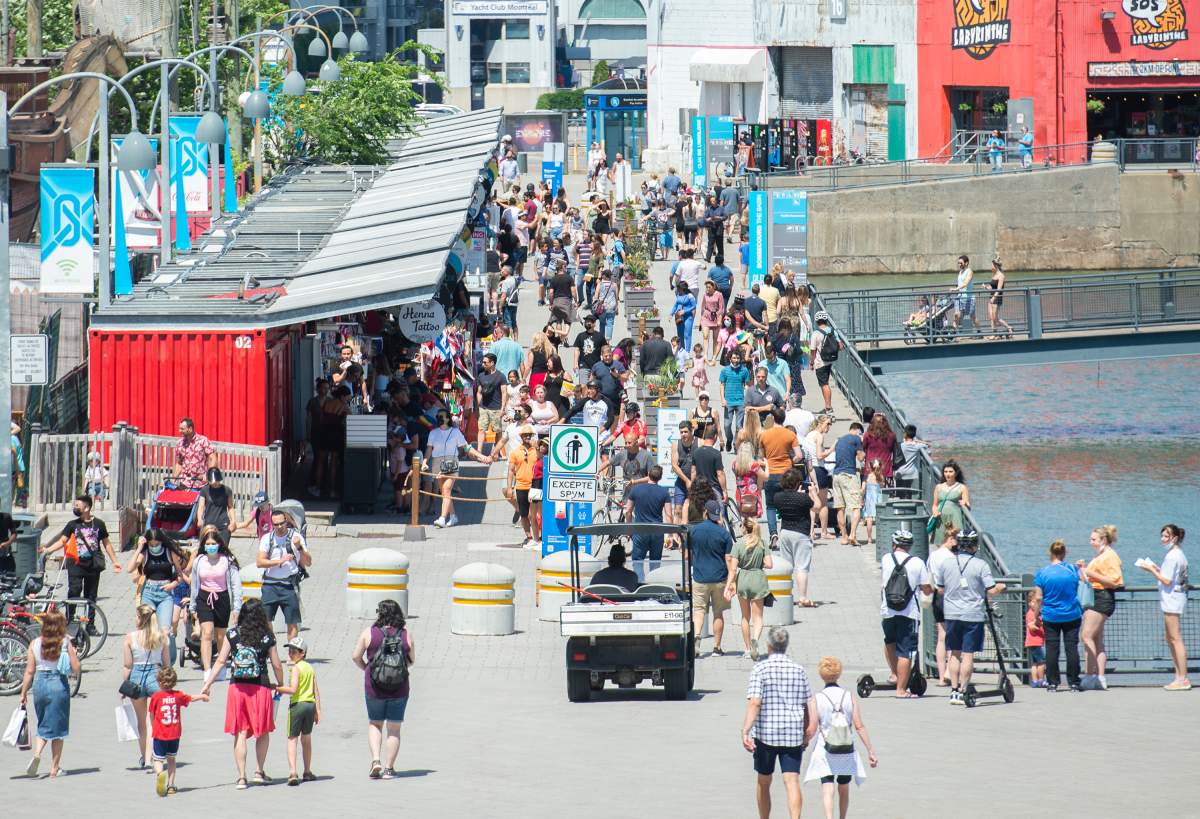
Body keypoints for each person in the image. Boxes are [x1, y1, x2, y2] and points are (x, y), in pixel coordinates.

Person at [200, 598, 285, 789]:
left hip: (237, 688)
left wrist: (208, 684)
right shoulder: (267, 636)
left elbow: (221, 661)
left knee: (240, 732)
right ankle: (258, 772)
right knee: (262, 731)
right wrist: (280, 683)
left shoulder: (233, 634)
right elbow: (277, 664)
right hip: (260, 687)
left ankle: (241, 777)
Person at [740, 627, 816, 819]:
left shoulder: (760, 668)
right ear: (786, 645)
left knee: (764, 781)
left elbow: (755, 702)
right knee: (792, 781)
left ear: (769, 645)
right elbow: (808, 701)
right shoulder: (798, 670)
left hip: (766, 734)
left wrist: (745, 730)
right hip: (792, 733)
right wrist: (809, 727)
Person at [935, 529, 1004, 704]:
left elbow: (940, 589)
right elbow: (991, 590)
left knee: (954, 653)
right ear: (974, 546)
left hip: (951, 614)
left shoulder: (946, 563)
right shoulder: (981, 565)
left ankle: (954, 691)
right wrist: (1002, 587)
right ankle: (965, 690)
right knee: (968, 654)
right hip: (973, 614)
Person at [803, 656, 877, 819]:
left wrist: (804, 741)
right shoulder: (849, 696)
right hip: (846, 747)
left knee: (827, 786)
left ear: (821, 675)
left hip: (826, 748)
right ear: (839, 673)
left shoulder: (818, 698)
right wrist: (870, 751)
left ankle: (829, 817)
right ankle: (842, 817)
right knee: (844, 786)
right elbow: (859, 726)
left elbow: (813, 727)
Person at [39, 494, 122, 632]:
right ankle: (70, 621)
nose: (75, 507)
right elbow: (62, 541)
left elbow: (107, 544)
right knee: (74, 591)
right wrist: (47, 550)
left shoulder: (99, 524)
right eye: (75, 505)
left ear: (87, 507)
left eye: (78, 505)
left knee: (91, 595)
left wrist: (115, 562)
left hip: (93, 565)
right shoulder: (72, 525)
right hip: (75, 564)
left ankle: (90, 625)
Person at [351, 599, 414, 780]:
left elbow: (355, 656)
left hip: (374, 687)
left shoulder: (369, 633)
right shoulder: (405, 635)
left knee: (375, 723)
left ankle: (376, 760)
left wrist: (367, 668)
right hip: (400, 687)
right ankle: (389, 769)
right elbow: (412, 660)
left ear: (380, 614)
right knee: (394, 729)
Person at [19, 610, 80, 778]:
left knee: (43, 722)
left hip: (39, 684)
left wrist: (23, 692)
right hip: (58, 684)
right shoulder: (65, 642)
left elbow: (29, 671)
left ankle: (38, 753)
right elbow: (76, 667)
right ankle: (55, 768)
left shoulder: (34, 644)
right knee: (59, 729)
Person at [879, 530, 932, 698]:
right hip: (909, 612)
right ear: (910, 546)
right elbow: (926, 588)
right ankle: (901, 690)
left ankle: (895, 674)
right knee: (906, 651)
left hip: (888, 610)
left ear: (894, 544)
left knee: (890, 642)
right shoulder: (917, 562)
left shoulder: (886, 558)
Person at [1138, 524, 1191, 690]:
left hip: (1172, 600)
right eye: (1162, 536)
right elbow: (1171, 576)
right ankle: (1179, 676)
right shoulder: (1178, 554)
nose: (1163, 539)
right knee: (1170, 638)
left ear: (1174, 537)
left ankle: (1182, 678)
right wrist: (1157, 569)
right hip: (1175, 597)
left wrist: (1150, 570)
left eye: (1166, 536)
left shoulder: (1172, 556)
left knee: (1175, 638)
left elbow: (1167, 581)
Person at [125, 528, 189, 664]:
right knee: (146, 628)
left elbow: (180, 574)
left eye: (157, 543)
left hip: (165, 593)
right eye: (151, 544)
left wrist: (173, 585)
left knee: (165, 631)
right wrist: (139, 548)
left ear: (162, 541)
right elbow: (129, 568)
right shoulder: (145, 553)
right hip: (148, 591)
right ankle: (149, 660)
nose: (154, 547)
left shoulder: (169, 552)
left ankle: (168, 663)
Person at [422, 411, 491, 528]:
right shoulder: (433, 433)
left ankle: (442, 518)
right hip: (437, 462)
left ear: (448, 419)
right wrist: (424, 461)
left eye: (442, 416)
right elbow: (429, 449)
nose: (439, 418)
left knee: (446, 489)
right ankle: (453, 516)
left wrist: (481, 456)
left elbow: (467, 447)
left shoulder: (455, 432)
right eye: (438, 416)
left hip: (451, 462)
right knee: (445, 492)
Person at [189, 525, 243, 673]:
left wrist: (237, 608)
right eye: (208, 544)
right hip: (204, 598)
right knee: (206, 633)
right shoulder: (199, 561)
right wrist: (192, 606)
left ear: (219, 544)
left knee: (220, 636)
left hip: (222, 598)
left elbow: (235, 585)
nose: (211, 547)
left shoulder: (228, 560)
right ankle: (207, 669)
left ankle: (221, 666)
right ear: (203, 545)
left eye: (213, 544)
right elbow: (194, 585)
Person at [122, 603, 170, 770]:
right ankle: (153, 756)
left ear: (141, 619)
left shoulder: (130, 637)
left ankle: (145, 757)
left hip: (136, 677)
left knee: (141, 722)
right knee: (153, 721)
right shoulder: (161, 636)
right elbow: (166, 663)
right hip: (156, 676)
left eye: (136, 616)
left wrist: (125, 685)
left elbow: (128, 665)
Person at [147, 667, 207, 796]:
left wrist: (153, 726)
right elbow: (191, 698)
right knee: (171, 759)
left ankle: (159, 773)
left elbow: (152, 714)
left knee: (157, 759)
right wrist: (202, 696)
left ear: (159, 682)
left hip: (160, 733)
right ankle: (171, 785)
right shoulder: (178, 695)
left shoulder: (156, 697)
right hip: (174, 734)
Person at [1034, 540, 1083, 692]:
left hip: (1051, 615)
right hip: (1072, 614)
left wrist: (1036, 616)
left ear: (1050, 553)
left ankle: (1053, 682)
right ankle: (1074, 681)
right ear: (1064, 553)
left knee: (1052, 649)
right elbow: (1084, 582)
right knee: (1072, 648)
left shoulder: (1043, 573)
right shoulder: (1073, 570)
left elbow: (1038, 598)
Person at [1077, 524, 1123, 690]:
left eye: (1094, 539)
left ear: (1104, 539)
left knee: (1086, 635)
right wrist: (1082, 571)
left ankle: (1090, 675)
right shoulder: (1101, 556)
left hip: (1102, 598)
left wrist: (1089, 573)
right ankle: (1100, 677)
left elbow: (1115, 581)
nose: (1091, 542)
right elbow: (1090, 579)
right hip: (1095, 595)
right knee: (1096, 639)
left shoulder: (1110, 556)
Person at [257, 510, 312, 641]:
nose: (279, 527)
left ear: (286, 522)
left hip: (289, 585)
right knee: (265, 620)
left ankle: (292, 654)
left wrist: (299, 547)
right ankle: (271, 649)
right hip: (270, 585)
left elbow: (308, 562)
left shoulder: (296, 537)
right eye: (276, 524)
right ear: (272, 524)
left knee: (292, 622)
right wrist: (280, 561)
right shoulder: (267, 538)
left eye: (282, 523)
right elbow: (260, 562)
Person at [690, 499, 735, 656]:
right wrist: (732, 581)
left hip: (699, 578)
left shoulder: (694, 531)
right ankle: (717, 647)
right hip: (719, 579)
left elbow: (687, 552)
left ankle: (696, 637)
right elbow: (729, 559)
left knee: (698, 611)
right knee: (718, 613)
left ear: (705, 513)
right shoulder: (724, 534)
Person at [275, 636, 321, 786]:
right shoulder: (309, 667)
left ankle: (293, 772)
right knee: (306, 738)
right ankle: (307, 771)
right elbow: (316, 690)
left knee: (292, 739)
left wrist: (277, 688)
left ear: (302, 653)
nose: (290, 653)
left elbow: (293, 689)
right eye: (289, 650)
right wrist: (318, 710)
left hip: (297, 705)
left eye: (294, 651)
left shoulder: (296, 668)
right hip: (310, 705)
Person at [727, 518, 774, 659]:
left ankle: (747, 648)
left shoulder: (738, 544)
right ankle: (755, 639)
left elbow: (733, 569)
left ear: (743, 528)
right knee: (758, 617)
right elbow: (770, 564)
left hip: (744, 578)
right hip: (758, 578)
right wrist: (759, 563)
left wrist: (730, 584)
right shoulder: (762, 543)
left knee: (745, 617)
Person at [773, 468, 816, 607]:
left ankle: (786, 594)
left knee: (787, 566)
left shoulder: (777, 497)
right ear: (797, 483)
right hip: (801, 533)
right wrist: (813, 494)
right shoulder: (803, 498)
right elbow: (817, 507)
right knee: (802, 567)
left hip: (785, 532)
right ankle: (803, 597)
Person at [926, 525, 958, 686]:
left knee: (941, 637)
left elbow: (929, 573)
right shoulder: (951, 557)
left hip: (936, 596)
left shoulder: (934, 555)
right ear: (951, 539)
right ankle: (949, 673)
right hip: (950, 596)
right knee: (952, 636)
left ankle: (940, 676)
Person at [625, 465, 671, 562]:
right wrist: (670, 534)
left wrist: (629, 529)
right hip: (657, 530)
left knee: (637, 562)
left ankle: (639, 577)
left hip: (640, 529)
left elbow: (628, 512)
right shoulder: (664, 492)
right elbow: (669, 515)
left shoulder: (636, 490)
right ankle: (653, 577)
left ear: (648, 474)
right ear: (660, 478)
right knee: (655, 562)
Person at [830, 423, 865, 545]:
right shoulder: (856, 439)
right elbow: (860, 458)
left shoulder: (840, 440)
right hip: (849, 474)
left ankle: (844, 536)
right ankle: (853, 535)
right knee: (856, 506)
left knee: (840, 507)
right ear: (857, 430)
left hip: (836, 475)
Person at [507, 425, 539, 549]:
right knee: (524, 514)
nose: (527, 437)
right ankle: (529, 536)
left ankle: (538, 536)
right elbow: (511, 471)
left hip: (534, 486)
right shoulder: (515, 452)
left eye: (529, 435)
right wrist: (510, 487)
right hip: (521, 486)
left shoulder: (536, 451)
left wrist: (536, 446)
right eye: (525, 435)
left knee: (534, 514)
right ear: (521, 437)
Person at [808, 312, 841, 415]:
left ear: (817, 321)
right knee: (824, 383)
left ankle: (828, 407)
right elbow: (841, 346)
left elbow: (813, 350)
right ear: (826, 320)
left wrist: (812, 362)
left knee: (824, 384)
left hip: (820, 362)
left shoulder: (816, 333)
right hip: (829, 361)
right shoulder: (832, 331)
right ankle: (826, 406)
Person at [930, 460, 970, 544]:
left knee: (954, 541)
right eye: (945, 471)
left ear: (956, 473)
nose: (947, 474)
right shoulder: (939, 487)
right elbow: (934, 505)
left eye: (950, 471)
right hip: (941, 517)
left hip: (954, 517)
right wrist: (935, 511)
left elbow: (967, 504)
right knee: (940, 542)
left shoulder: (962, 487)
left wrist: (965, 504)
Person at [719, 350, 751, 453]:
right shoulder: (725, 371)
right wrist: (722, 399)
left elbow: (746, 385)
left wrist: (747, 400)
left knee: (739, 426)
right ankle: (729, 439)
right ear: (730, 358)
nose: (736, 360)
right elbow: (722, 385)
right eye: (734, 358)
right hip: (728, 402)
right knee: (727, 425)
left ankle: (736, 444)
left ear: (740, 359)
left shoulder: (744, 370)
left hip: (740, 401)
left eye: (737, 358)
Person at [171, 417, 216, 488]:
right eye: (179, 428)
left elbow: (212, 457)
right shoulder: (179, 443)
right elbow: (179, 463)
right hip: (184, 484)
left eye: (182, 429)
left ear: (190, 429)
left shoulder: (203, 441)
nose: (179, 431)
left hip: (200, 484)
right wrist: (174, 479)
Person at [475, 353, 506, 453]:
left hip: (496, 408)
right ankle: (479, 451)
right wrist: (478, 406)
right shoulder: (481, 376)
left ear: (492, 363)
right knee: (481, 429)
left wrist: (502, 408)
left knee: (498, 431)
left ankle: (496, 452)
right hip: (483, 407)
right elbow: (479, 392)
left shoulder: (501, 376)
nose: (483, 364)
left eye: (485, 362)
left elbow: (504, 393)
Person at [197, 467, 236, 545]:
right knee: (208, 549)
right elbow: (201, 507)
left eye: (217, 481)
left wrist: (233, 521)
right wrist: (199, 519)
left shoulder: (227, 490)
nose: (215, 483)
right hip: (208, 525)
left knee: (223, 549)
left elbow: (230, 507)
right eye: (212, 482)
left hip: (223, 524)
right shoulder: (204, 490)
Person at [691, 428, 728, 500]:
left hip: (699, 489)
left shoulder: (696, 452)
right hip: (713, 490)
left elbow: (693, 472)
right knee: (719, 510)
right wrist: (724, 491)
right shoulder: (716, 454)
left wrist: (692, 488)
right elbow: (720, 474)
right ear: (715, 436)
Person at [893, 424, 928, 493]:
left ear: (905, 434)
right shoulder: (916, 446)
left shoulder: (901, 445)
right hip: (911, 472)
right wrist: (917, 441)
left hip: (900, 471)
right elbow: (928, 445)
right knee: (908, 491)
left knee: (899, 491)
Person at [861, 415, 896, 483]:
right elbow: (892, 449)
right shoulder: (892, 435)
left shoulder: (868, 435)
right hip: (886, 469)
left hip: (870, 469)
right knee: (885, 492)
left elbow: (864, 448)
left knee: (870, 491)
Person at [984, 259, 1013, 339]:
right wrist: (986, 287)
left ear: (996, 266)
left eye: (992, 265)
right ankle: (994, 333)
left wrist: (994, 298)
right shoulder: (994, 275)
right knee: (991, 317)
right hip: (991, 297)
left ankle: (1008, 328)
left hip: (997, 298)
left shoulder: (1001, 276)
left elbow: (999, 289)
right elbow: (991, 287)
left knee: (995, 317)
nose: (991, 267)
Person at [573, 315, 607, 381]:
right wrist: (575, 363)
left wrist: (605, 363)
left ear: (594, 324)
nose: (588, 323)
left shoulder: (600, 336)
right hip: (583, 365)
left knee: (594, 386)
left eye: (590, 322)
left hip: (597, 365)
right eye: (586, 321)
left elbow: (605, 349)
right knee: (583, 386)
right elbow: (577, 350)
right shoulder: (580, 336)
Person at [1025, 590, 1047, 688]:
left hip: (1032, 642)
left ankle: (1034, 681)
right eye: (1034, 602)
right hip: (1036, 642)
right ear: (1030, 603)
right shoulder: (1031, 614)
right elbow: (1031, 626)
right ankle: (1041, 680)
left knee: (1034, 663)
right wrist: (1040, 625)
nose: (1037, 604)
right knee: (1041, 662)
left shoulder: (1034, 613)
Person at [953, 255, 979, 332]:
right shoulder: (960, 272)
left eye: (961, 263)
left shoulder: (969, 271)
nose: (959, 265)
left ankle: (979, 331)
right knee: (957, 315)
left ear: (966, 263)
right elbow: (960, 283)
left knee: (972, 317)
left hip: (969, 298)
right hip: (959, 297)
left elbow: (965, 283)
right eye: (958, 263)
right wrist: (957, 290)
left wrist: (956, 289)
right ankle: (955, 333)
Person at [861, 459, 884, 544]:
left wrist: (861, 499)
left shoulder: (867, 477)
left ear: (870, 468)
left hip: (869, 499)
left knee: (869, 519)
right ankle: (880, 537)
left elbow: (863, 489)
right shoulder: (880, 477)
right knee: (879, 519)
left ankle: (869, 539)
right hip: (878, 499)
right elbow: (882, 487)